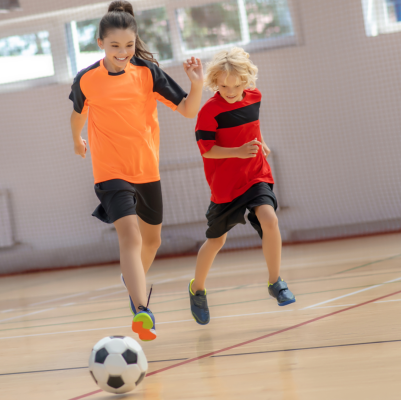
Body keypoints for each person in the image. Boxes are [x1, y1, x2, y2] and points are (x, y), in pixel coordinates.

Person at [69, 1, 203, 340]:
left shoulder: (147, 73)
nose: (123, 51)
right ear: (101, 43)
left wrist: (197, 83)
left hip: (146, 169)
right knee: (129, 236)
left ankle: (132, 283)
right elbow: (77, 112)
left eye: (129, 45)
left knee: (153, 240)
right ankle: (142, 310)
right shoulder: (87, 80)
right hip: (110, 171)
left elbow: (188, 110)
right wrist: (77, 139)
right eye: (115, 45)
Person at [188, 47, 295, 325]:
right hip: (225, 186)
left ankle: (276, 282)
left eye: (236, 85)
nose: (231, 91)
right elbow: (208, 151)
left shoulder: (254, 97)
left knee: (269, 219)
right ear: (215, 82)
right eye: (223, 85)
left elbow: (253, 125)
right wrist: (237, 151)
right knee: (216, 241)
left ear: (246, 82)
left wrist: (262, 142)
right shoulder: (208, 112)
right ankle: (197, 289)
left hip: (255, 174)